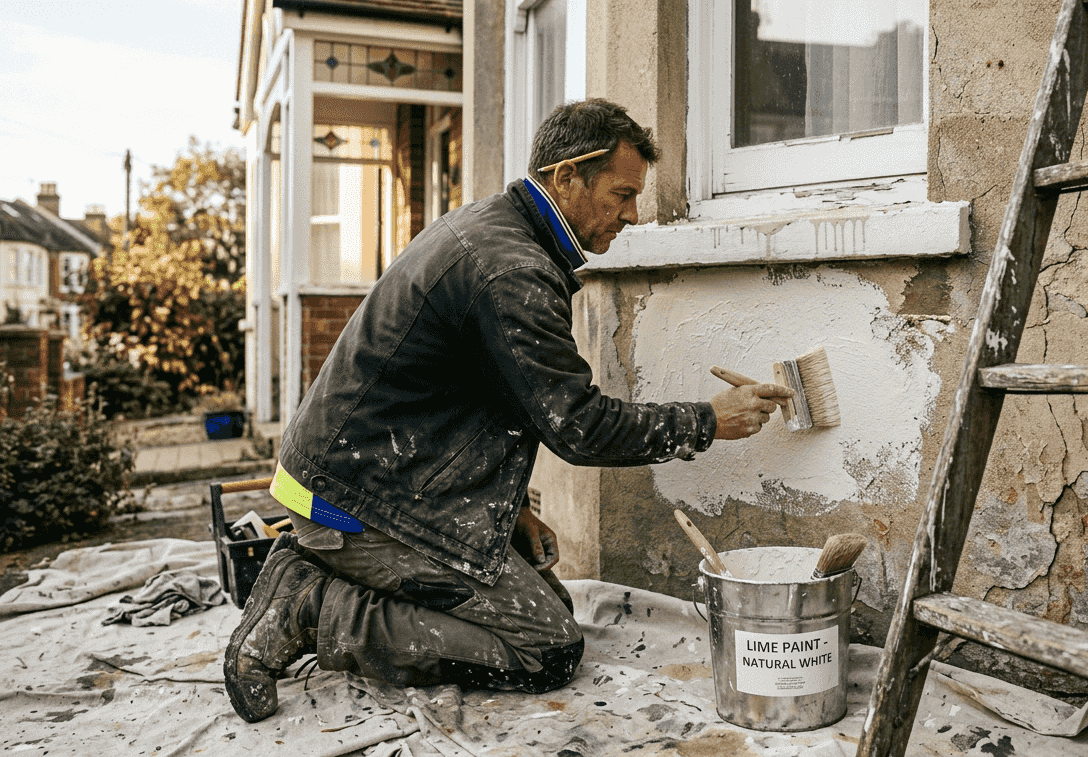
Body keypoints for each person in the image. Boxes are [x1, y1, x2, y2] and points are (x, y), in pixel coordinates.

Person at [224, 98, 793, 723]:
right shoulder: (511, 270)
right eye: (622, 194)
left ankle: (321, 581)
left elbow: (466, 398)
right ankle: (309, 608)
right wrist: (708, 421)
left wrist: (504, 508)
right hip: (352, 500)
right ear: (566, 177)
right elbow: (580, 428)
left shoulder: (497, 231)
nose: (632, 215)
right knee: (544, 648)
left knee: (547, 606)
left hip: (369, 478)